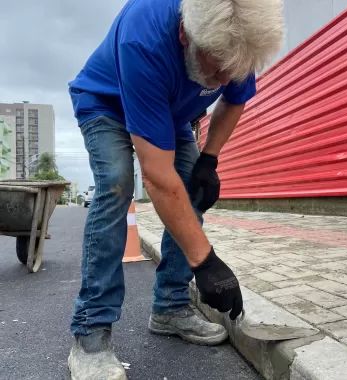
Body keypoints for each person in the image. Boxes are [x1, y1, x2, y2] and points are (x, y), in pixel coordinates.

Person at [67, 0, 283, 378]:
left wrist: (209, 160)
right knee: (117, 185)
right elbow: (157, 177)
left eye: (229, 73)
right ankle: (90, 331)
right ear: (187, 35)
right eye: (215, 68)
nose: (219, 81)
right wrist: (206, 261)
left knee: (192, 191)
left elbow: (235, 100)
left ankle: (170, 307)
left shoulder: (237, 38)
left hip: (169, 112)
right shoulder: (144, 38)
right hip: (107, 103)